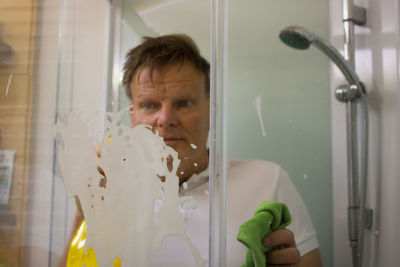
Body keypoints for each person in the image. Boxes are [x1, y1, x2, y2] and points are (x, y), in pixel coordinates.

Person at [59, 34, 322, 266]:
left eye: (184, 103)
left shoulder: (268, 181)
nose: (166, 119)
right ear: (132, 116)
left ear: (210, 110)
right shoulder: (112, 191)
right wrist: (85, 215)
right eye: (149, 105)